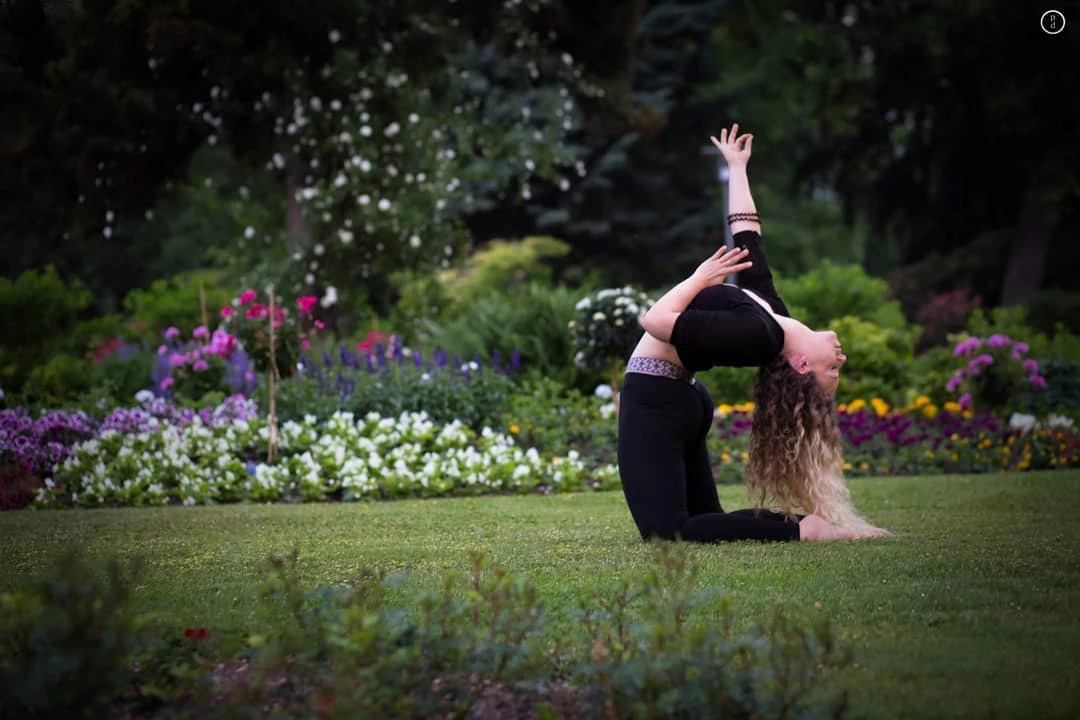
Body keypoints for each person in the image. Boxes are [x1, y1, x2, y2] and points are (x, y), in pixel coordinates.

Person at [616, 123, 886, 542]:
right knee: (704, 518)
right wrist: (737, 166)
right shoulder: (772, 317)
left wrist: (697, 278)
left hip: (657, 399)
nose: (842, 360)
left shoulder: (759, 336)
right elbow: (747, 233)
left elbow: (653, 320)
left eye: (833, 371)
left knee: (667, 530)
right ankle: (807, 525)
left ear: (801, 365)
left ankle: (806, 530)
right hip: (680, 398)